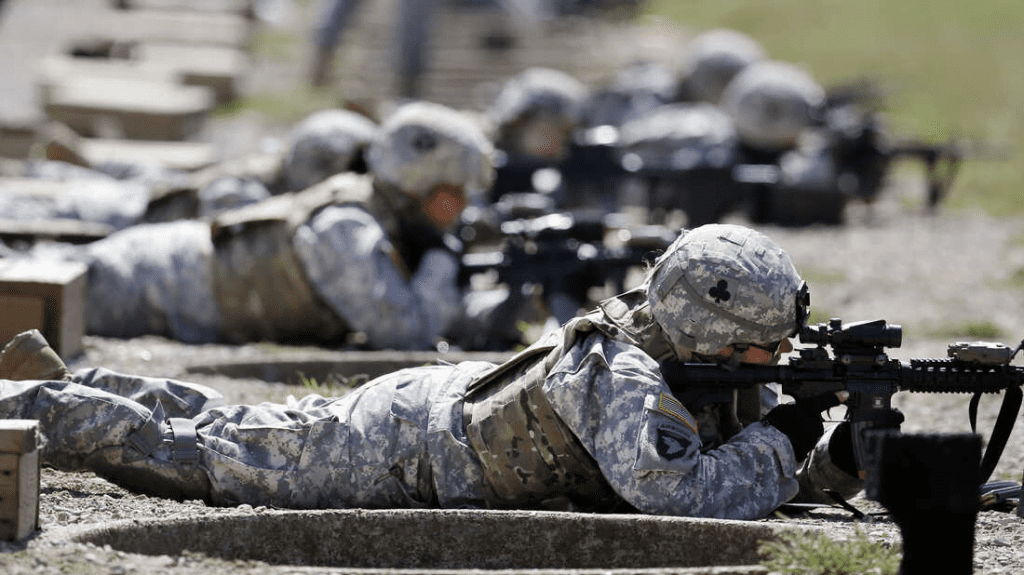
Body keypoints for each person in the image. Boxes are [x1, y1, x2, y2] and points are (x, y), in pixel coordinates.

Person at [0, 223, 866, 519]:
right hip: (403, 446)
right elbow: (680, 495)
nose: (776, 360)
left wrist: (835, 463)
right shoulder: (623, 373)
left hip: (438, 420)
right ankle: (36, 403)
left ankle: (52, 379)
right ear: (706, 329)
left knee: (228, 424)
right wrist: (791, 429)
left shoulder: (696, 359)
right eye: (763, 346)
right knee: (209, 458)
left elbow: (730, 475)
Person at [28, 101, 496, 350]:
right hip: (140, 284)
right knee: (24, 300)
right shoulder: (346, 228)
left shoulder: (379, 220)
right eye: (452, 193)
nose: (461, 207)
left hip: (156, 282)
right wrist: (441, 255)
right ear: (419, 186)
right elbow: (406, 336)